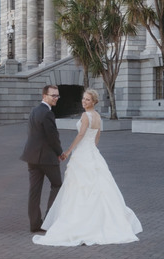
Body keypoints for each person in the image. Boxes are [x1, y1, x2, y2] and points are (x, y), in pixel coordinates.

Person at [33, 89, 142, 246]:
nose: (84, 102)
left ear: (94, 102)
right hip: (92, 152)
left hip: (83, 153)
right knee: (98, 186)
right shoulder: (98, 116)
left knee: (79, 187)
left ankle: (80, 222)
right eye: (83, 99)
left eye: (88, 100)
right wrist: (91, 150)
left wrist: (69, 151)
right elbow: (97, 137)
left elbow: (81, 135)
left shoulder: (85, 116)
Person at [20, 84, 66, 233]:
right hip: (46, 158)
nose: (56, 98)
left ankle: (34, 224)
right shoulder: (47, 113)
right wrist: (60, 153)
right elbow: (53, 137)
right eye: (53, 95)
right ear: (44, 96)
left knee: (34, 191)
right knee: (57, 185)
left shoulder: (34, 111)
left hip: (31, 157)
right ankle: (48, 221)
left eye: (57, 95)